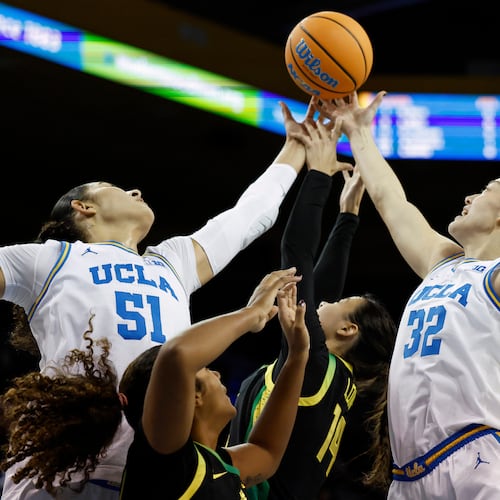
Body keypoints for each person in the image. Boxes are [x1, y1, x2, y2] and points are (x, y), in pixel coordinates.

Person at [0, 98, 317, 499]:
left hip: (156, 461)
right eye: (116, 189)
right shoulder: (49, 258)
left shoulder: (171, 262)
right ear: (84, 208)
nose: (135, 190)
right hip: (65, 465)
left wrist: (296, 143)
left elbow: (250, 215)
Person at [317, 91, 500, 498]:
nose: (469, 197)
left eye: (487, 189)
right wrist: (357, 130)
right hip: (407, 475)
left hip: (476, 461)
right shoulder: (442, 261)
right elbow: (390, 199)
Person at [0, 267, 309, 498]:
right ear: (189, 396)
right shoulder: (164, 460)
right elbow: (176, 354)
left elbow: (266, 451)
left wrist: (298, 355)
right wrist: (251, 314)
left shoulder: (214, 463)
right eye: (205, 369)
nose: (217, 373)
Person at [228, 116, 397, 499]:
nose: (324, 300)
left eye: (337, 304)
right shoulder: (333, 376)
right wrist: (347, 217)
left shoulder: (314, 363)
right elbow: (321, 281)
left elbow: (297, 256)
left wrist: (318, 172)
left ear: (348, 330)